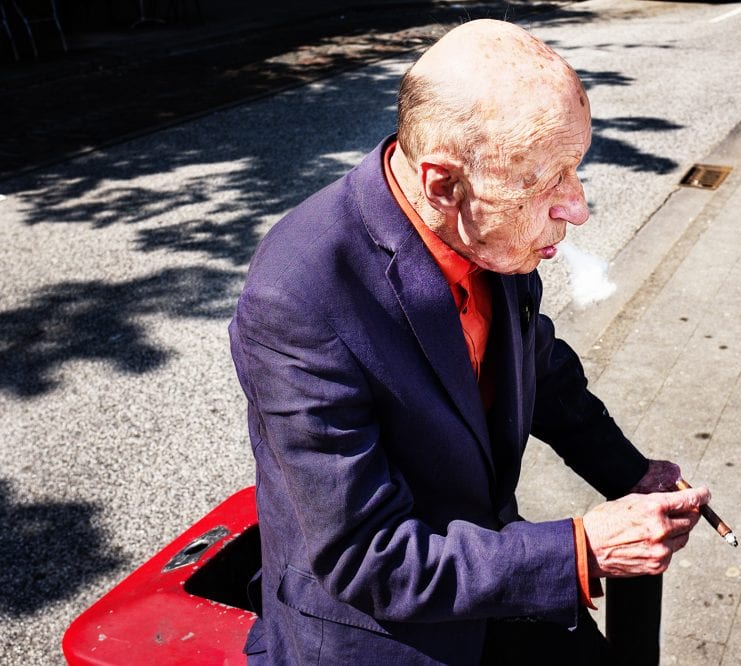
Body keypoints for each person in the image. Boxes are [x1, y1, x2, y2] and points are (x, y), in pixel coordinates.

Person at [229, 18, 710, 665]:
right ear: (440, 185)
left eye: (576, 169)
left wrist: (632, 474)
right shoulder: (299, 296)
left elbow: (541, 370)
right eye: (546, 181)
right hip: (381, 633)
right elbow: (367, 557)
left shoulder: (484, 229)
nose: (577, 207)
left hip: (487, 576)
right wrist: (582, 549)